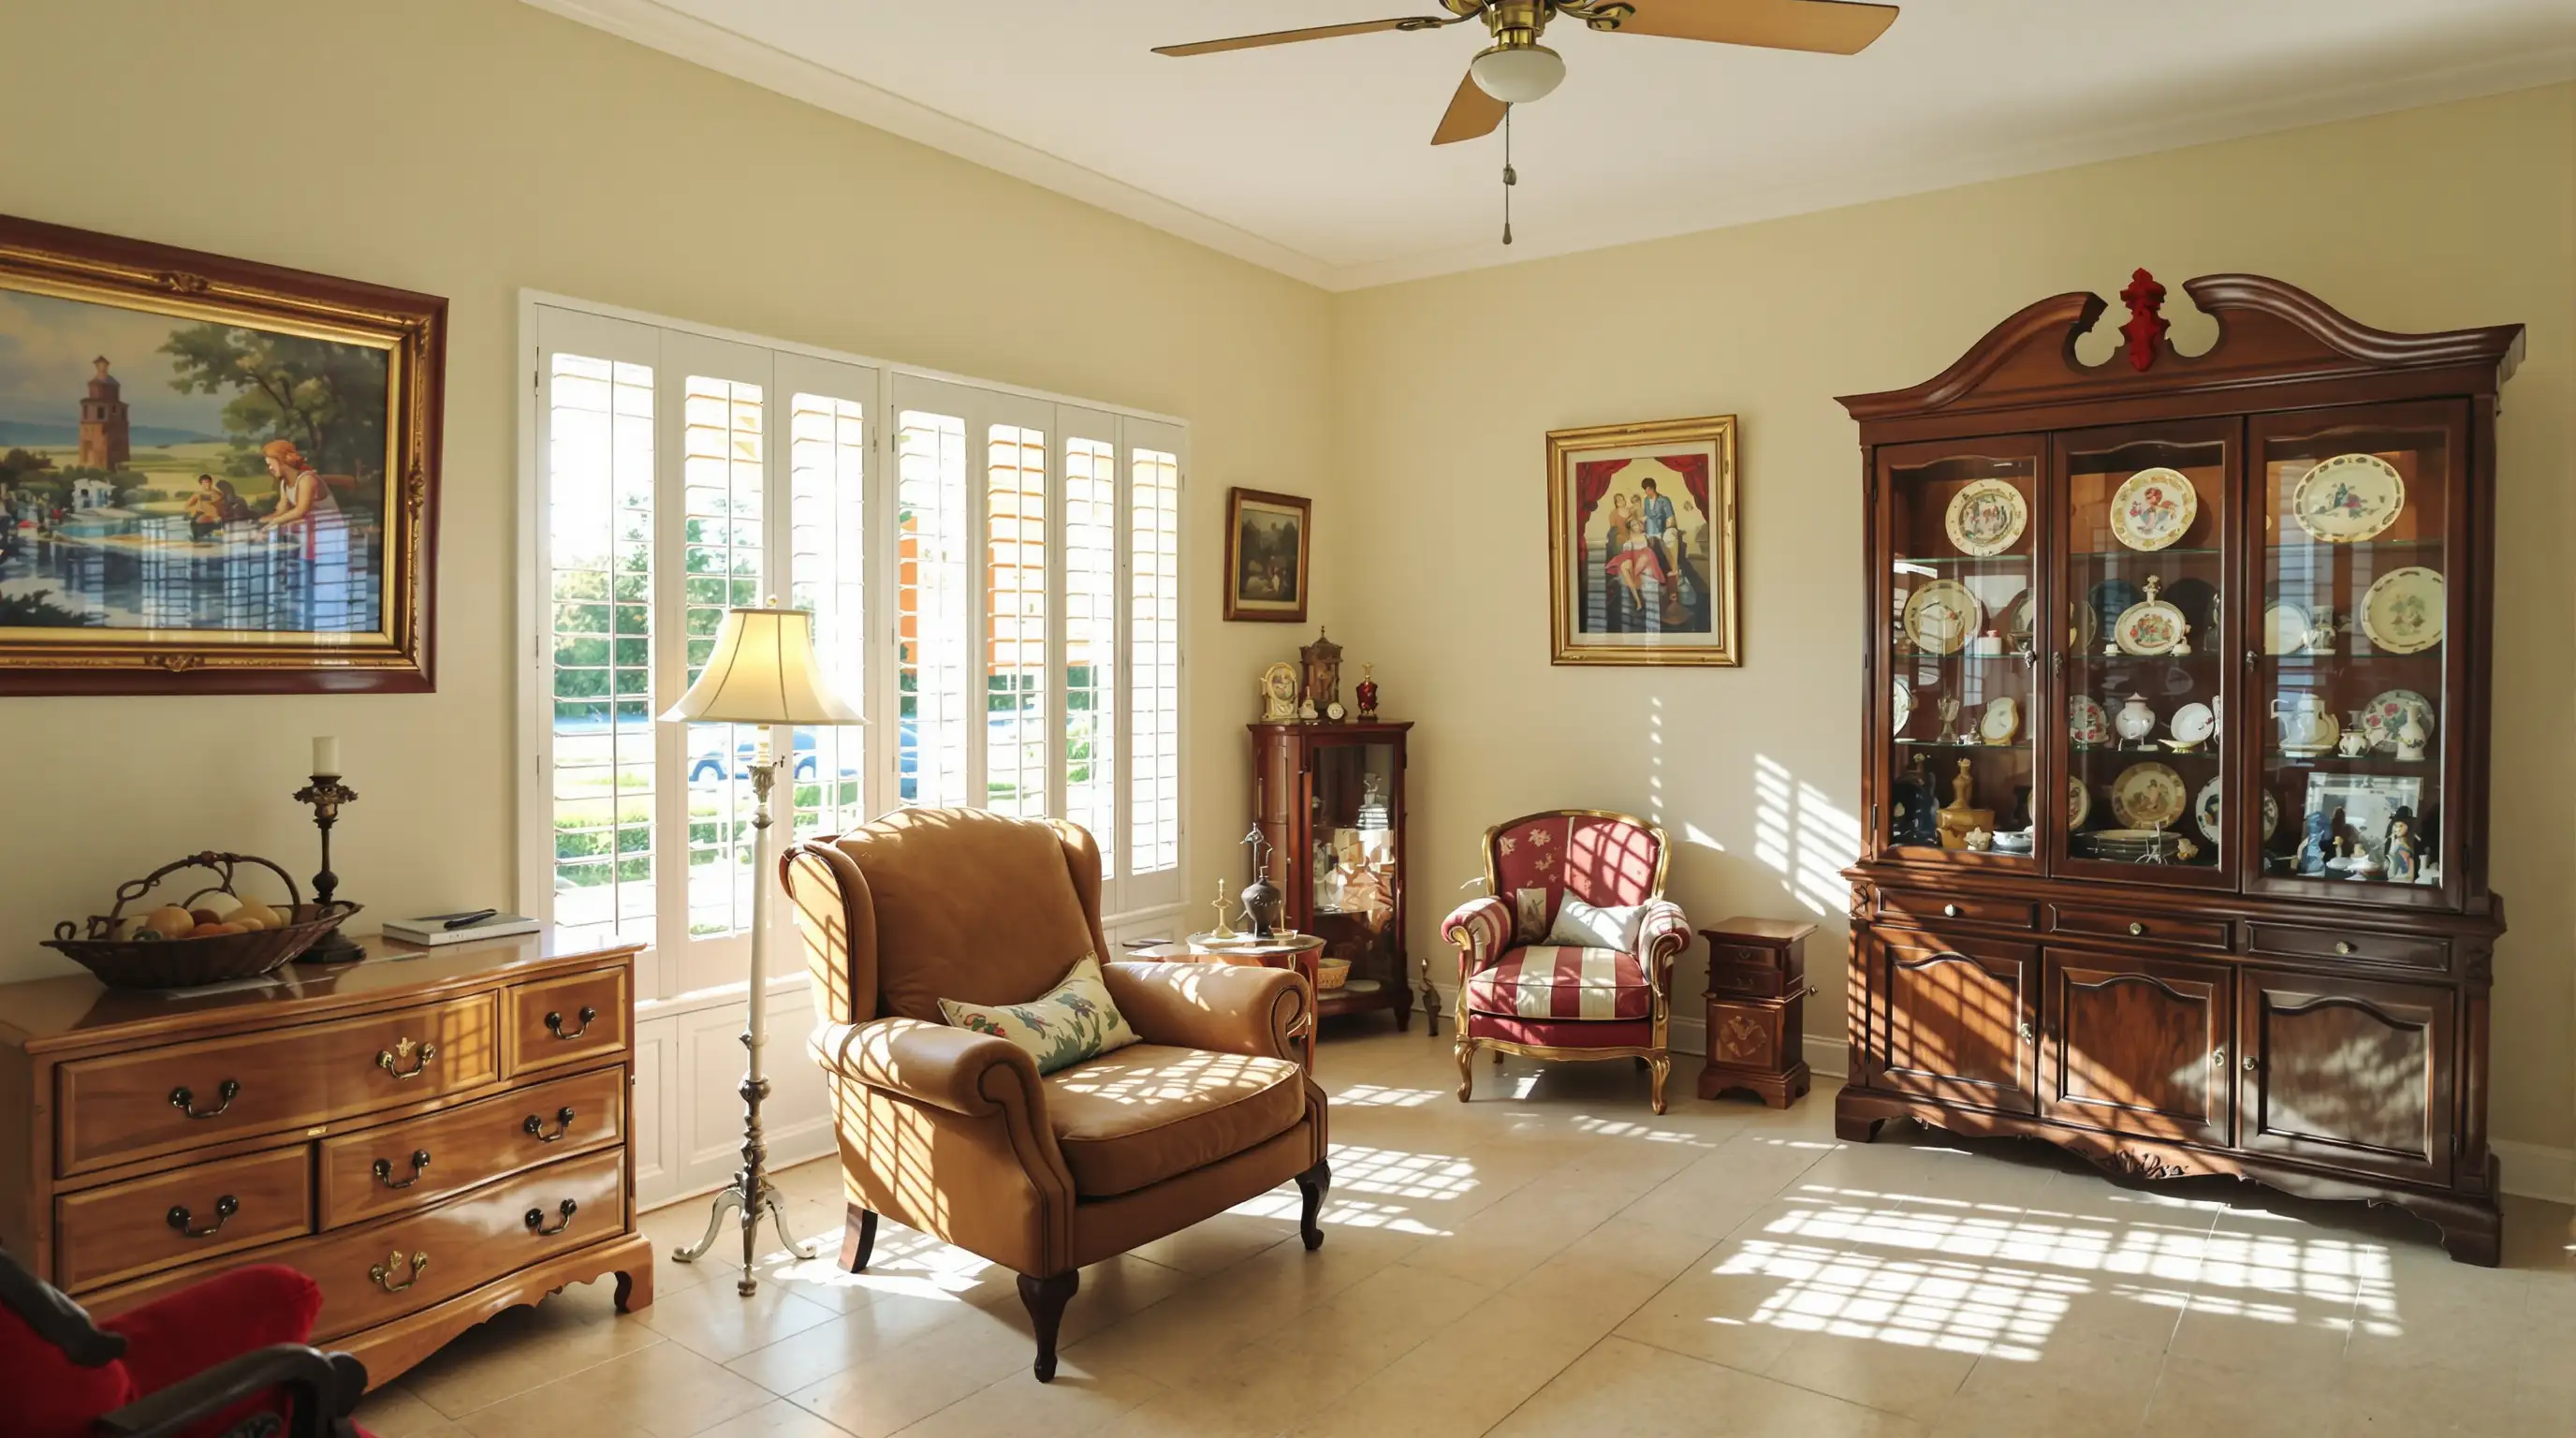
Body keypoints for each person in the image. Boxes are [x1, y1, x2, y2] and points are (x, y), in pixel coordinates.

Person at [183, 474, 224, 541]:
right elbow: (187, 506)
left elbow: (223, 506)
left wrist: (218, 516)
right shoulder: (198, 495)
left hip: (215, 519)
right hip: (201, 517)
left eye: (208, 482)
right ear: (201, 484)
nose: (206, 484)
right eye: (204, 483)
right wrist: (195, 510)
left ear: (211, 482)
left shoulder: (218, 494)